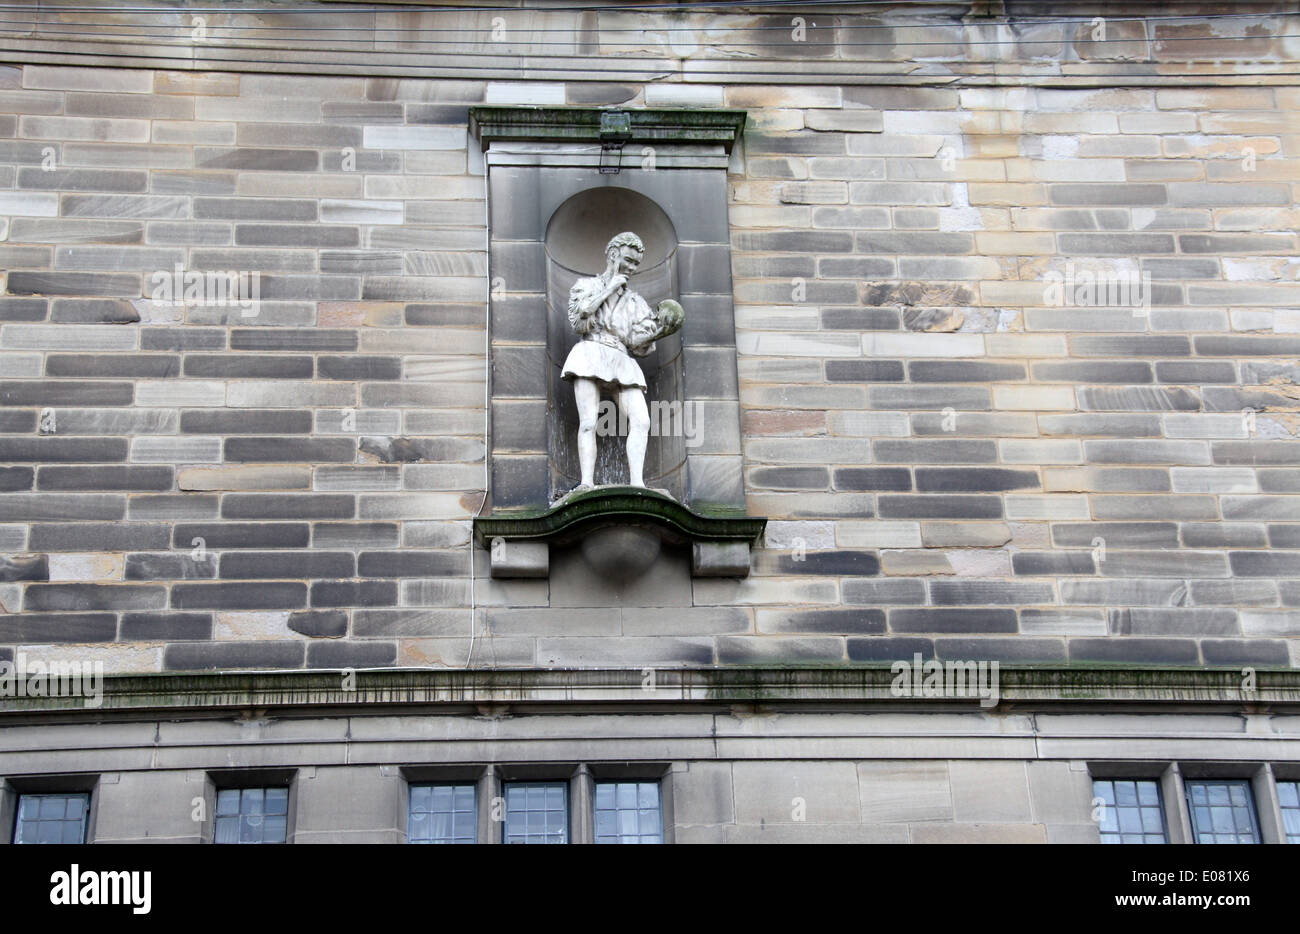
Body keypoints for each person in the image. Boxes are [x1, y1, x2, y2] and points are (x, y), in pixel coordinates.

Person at [562, 231, 684, 491]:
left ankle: (637, 483)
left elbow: (638, 343)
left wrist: (663, 330)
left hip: (621, 358)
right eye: (628, 260)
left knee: (641, 421)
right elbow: (579, 319)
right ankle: (586, 483)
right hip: (590, 351)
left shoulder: (635, 301)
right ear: (613, 254)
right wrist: (610, 288)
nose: (632, 268)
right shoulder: (586, 285)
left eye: (636, 264)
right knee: (588, 422)